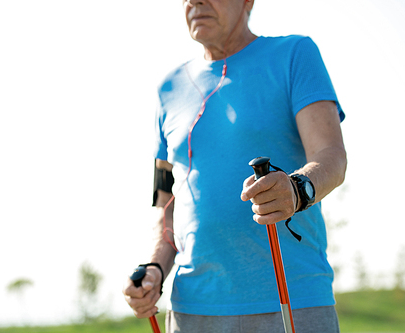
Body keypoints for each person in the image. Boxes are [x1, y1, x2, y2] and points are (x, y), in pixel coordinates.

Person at [123, 0, 347, 332]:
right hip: (192, 310)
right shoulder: (167, 88)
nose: (195, 1)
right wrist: (155, 265)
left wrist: (298, 189)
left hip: (292, 302)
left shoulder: (295, 53)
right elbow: (166, 201)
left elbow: (332, 156)